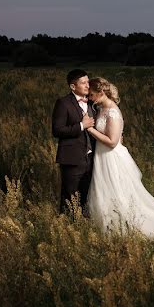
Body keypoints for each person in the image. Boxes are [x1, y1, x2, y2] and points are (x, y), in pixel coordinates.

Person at [85, 77, 154, 237]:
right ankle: (107, 219)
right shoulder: (100, 108)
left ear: (101, 92)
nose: (90, 98)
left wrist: (90, 130)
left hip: (111, 157)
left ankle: (126, 219)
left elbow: (112, 142)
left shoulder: (113, 112)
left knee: (119, 190)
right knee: (105, 189)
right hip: (102, 156)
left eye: (91, 95)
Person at [51, 69, 96, 215]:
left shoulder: (92, 102)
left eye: (88, 82)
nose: (87, 85)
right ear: (72, 86)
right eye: (83, 83)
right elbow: (57, 130)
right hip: (72, 157)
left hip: (91, 157)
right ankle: (66, 226)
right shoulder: (63, 103)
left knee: (87, 194)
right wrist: (82, 126)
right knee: (69, 196)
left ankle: (83, 224)